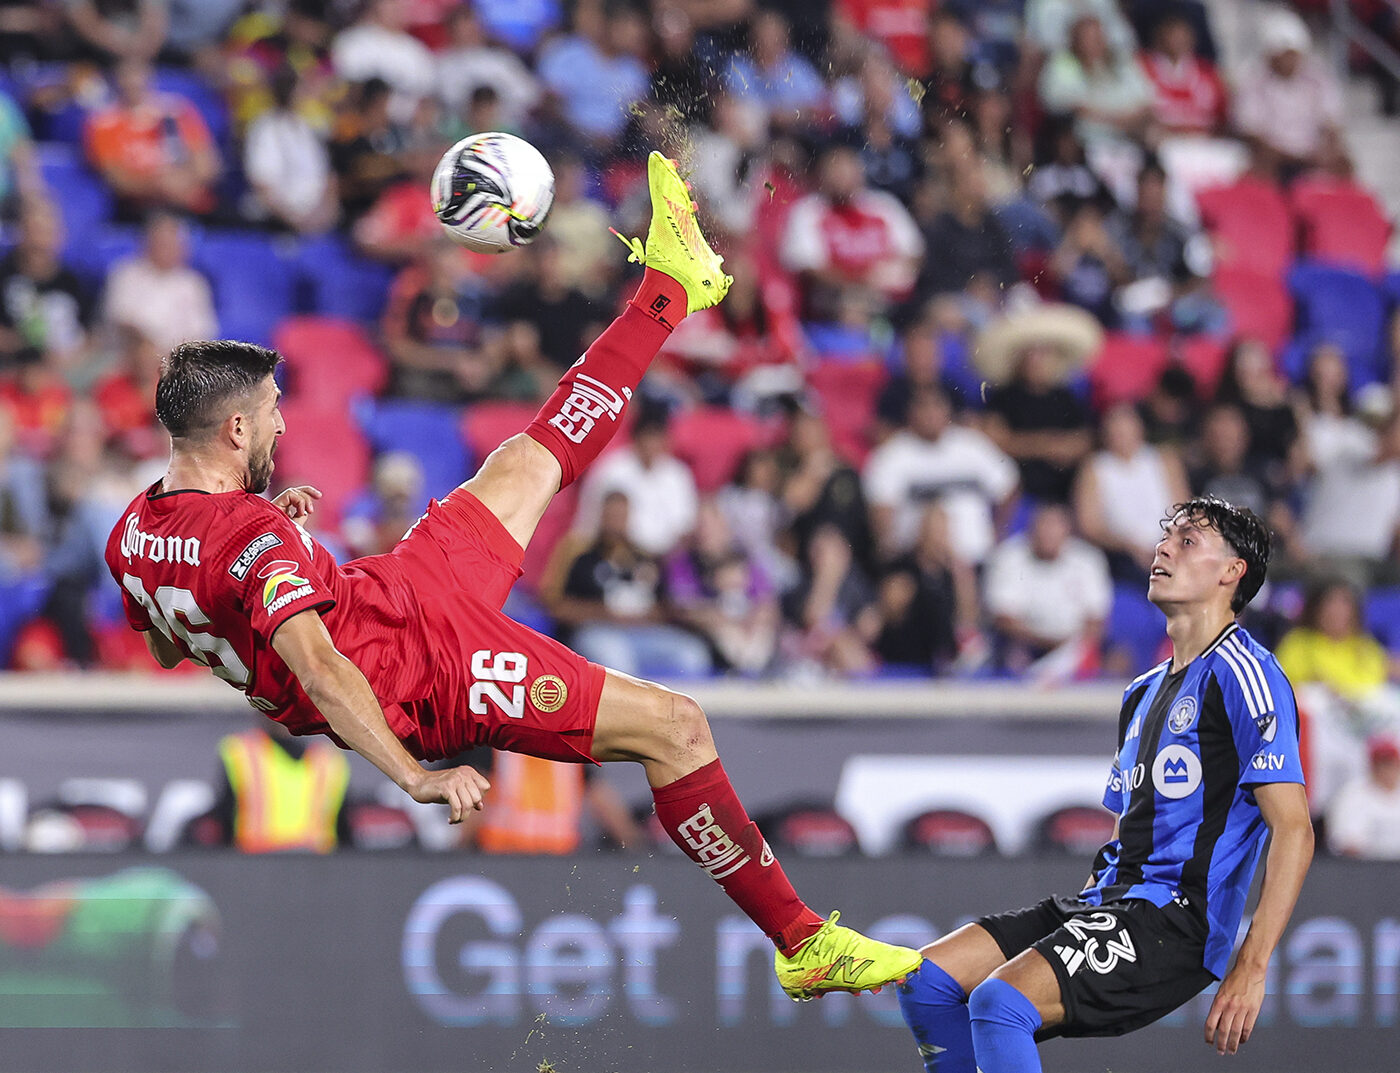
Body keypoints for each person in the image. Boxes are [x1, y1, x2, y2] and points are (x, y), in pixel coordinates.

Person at [102, 152, 919, 1000]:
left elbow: (170, 638)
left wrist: (265, 556)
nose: (281, 427)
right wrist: (416, 775)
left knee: (529, 458)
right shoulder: (253, 538)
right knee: (676, 727)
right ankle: (801, 941)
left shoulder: (136, 532)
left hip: (394, 591)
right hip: (422, 669)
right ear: (235, 431)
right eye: (273, 413)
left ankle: (672, 286)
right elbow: (322, 669)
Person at [896, 495, 1313, 1070]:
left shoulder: (1248, 674)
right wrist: (1085, 918)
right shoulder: (1141, 692)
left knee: (1000, 1002)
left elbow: (1294, 830)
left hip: (1178, 918)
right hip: (1109, 903)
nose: (1164, 548)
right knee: (926, 981)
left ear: (1231, 572)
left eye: (1188, 541)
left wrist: (1253, 964)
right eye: (1167, 536)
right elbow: (1126, 829)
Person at [1325, 736, 1400, 860]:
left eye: (1391, 764)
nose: (1387, 770)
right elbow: (1347, 843)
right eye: (1382, 764)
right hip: (1365, 867)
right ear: (1372, 766)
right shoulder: (1352, 795)